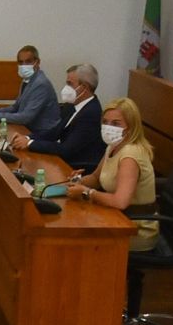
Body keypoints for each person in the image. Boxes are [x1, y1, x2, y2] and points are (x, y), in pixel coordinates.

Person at [65, 97, 159, 253]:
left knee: (77, 241)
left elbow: (120, 202)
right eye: (106, 122)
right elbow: (95, 178)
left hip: (135, 229)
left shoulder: (130, 155)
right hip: (117, 218)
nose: (109, 127)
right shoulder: (113, 146)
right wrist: (79, 181)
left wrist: (86, 192)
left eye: (116, 123)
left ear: (130, 127)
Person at [12, 63, 104, 170]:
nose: (66, 88)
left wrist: (30, 144)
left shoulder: (91, 113)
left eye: (70, 84)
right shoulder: (71, 106)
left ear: (84, 87)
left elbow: (66, 149)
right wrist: (28, 138)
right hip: (63, 161)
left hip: (77, 167)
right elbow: (55, 132)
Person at [0, 46, 57, 134]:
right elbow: (16, 107)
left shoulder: (40, 84)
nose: (24, 65)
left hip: (43, 134)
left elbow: (25, 117)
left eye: (28, 62)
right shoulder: (27, 80)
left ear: (37, 62)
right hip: (28, 129)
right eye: (21, 62)